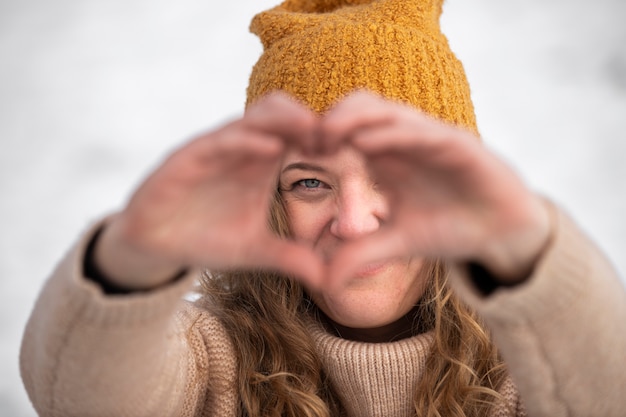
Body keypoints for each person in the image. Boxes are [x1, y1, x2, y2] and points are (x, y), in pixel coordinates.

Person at [19, 0, 626, 416]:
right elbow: (81, 398)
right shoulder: (214, 357)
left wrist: (530, 253)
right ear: (269, 201)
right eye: (310, 183)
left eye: (391, 175)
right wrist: (132, 256)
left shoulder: (533, 359)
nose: (354, 222)